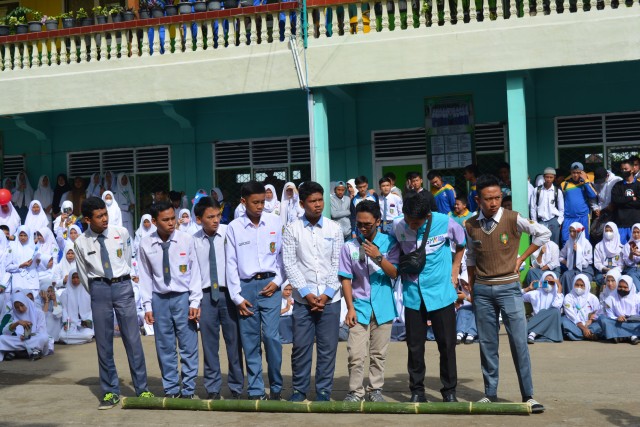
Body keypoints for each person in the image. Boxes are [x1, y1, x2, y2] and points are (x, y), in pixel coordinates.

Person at [464, 174, 550, 413]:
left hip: (509, 288)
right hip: (482, 289)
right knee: (487, 343)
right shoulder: (470, 225)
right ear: (478, 200)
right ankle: (490, 393)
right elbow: (470, 257)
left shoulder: (513, 218)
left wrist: (522, 258)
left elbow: (543, 233)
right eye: (488, 198)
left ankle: (528, 395)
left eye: (497, 197)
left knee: (519, 341)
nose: (493, 203)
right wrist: (472, 286)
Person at [74, 197, 153, 409]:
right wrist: (98, 289)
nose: (104, 219)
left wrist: (120, 279)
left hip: (122, 286)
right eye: (99, 216)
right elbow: (83, 274)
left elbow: (126, 259)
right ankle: (110, 391)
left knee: (133, 340)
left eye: (105, 214)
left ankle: (142, 389)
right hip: (99, 289)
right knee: (103, 342)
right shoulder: (81, 242)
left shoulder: (121, 233)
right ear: (88, 219)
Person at [393, 191, 466, 403]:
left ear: (427, 216)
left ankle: (449, 391)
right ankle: (417, 390)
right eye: (408, 220)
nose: (411, 225)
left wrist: (455, 270)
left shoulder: (445, 222)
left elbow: (462, 243)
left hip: (440, 293)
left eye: (416, 222)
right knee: (415, 346)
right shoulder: (398, 226)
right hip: (413, 294)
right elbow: (394, 252)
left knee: (447, 344)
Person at [283, 181, 343, 402]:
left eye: (320, 200)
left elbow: (338, 263)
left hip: (331, 299)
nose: (318, 205)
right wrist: (307, 294)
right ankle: (299, 389)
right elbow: (290, 264)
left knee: (328, 348)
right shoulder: (292, 229)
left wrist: (326, 294)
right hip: (302, 300)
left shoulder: (334, 229)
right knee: (301, 347)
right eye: (312, 201)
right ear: (302, 204)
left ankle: (324, 390)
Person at [225, 181, 284, 400]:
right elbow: (230, 263)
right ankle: (256, 390)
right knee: (250, 341)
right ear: (243, 202)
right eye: (255, 202)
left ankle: (276, 387)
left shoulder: (275, 222)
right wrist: (236, 297)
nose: (260, 206)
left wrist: (278, 281)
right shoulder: (234, 227)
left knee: (271, 337)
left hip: (271, 286)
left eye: (263, 202)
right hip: (246, 289)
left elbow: (282, 256)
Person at [138, 201, 202, 399]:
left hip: (183, 298)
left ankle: (189, 389)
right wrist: (147, 306)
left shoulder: (186, 240)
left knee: (188, 346)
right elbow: (145, 276)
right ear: (154, 222)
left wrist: (195, 301)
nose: (171, 223)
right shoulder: (146, 243)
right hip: (159, 299)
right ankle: (172, 388)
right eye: (165, 220)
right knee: (165, 347)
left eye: (173, 218)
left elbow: (195, 271)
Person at [339, 200, 399, 402]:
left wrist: (378, 257)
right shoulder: (349, 247)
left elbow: (394, 273)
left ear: (378, 222)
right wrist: (350, 308)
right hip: (359, 306)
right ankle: (355, 392)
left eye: (368, 224)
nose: (363, 228)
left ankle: (375, 390)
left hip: (383, 306)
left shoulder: (390, 243)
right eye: (359, 224)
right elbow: (345, 279)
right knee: (355, 353)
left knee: (378, 354)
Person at [193, 196, 244, 400]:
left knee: (234, 342)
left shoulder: (229, 233)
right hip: (206, 296)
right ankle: (212, 387)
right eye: (210, 217)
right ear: (199, 219)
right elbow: (194, 273)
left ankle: (237, 386)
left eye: (218, 216)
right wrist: (195, 301)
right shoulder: (193, 241)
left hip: (229, 295)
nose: (216, 220)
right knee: (209, 345)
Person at [0, 291, 48, 361]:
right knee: (1, 338)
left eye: (22, 305)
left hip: (32, 339)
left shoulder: (39, 313)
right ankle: (31, 351)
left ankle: (14, 351)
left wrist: (28, 335)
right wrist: (17, 323)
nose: (20, 309)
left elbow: (42, 331)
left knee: (44, 337)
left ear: (26, 302)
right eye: (17, 307)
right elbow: (5, 332)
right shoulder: (13, 314)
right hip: (18, 340)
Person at [561, 162, 597, 244]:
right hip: (568, 217)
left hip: (583, 217)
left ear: (582, 173)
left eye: (578, 173)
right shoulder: (564, 184)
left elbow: (593, 195)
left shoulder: (586, 183)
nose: (575, 175)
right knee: (565, 240)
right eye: (573, 172)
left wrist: (586, 181)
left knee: (584, 240)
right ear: (570, 172)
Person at [522, 272, 563, 343]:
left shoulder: (558, 295)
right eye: (546, 282)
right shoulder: (535, 293)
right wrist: (528, 288)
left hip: (550, 323)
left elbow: (556, 306)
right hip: (536, 320)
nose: (548, 284)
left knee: (555, 311)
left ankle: (533, 333)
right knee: (544, 311)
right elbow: (517, 297)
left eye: (551, 282)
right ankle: (533, 333)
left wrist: (559, 288)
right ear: (542, 282)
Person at [599, 275, 640, 344]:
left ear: (630, 287)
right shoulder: (610, 299)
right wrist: (616, 318)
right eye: (620, 287)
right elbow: (609, 315)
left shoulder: (637, 298)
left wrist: (631, 318)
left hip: (633, 323)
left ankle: (621, 336)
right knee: (602, 319)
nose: (622, 289)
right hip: (617, 323)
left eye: (625, 287)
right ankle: (631, 336)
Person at [561, 274, 602, 341]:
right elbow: (570, 314)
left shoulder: (593, 298)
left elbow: (598, 313)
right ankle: (589, 334)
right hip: (575, 323)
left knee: (601, 322)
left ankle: (580, 335)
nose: (579, 287)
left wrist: (591, 320)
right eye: (577, 285)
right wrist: (583, 328)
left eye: (582, 285)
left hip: (589, 324)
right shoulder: (569, 297)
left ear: (586, 286)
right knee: (563, 320)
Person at [58, 268, 94, 345]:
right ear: (70, 279)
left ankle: (75, 339)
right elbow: (64, 309)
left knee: (88, 334)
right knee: (62, 335)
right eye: (73, 278)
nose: (75, 280)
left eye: (78, 277)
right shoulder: (65, 293)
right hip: (71, 322)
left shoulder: (87, 292)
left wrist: (88, 320)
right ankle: (82, 339)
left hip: (85, 322)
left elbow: (91, 309)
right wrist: (66, 322)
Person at [529, 167, 564, 246]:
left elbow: (561, 209)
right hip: (540, 221)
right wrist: (535, 222)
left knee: (554, 245)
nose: (549, 179)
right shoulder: (537, 190)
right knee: (540, 245)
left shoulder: (557, 191)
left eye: (551, 177)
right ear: (544, 177)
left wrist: (559, 222)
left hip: (554, 220)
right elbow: (533, 208)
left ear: (554, 178)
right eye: (547, 177)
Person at [559, 222, 594, 295]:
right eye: (570, 231)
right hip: (573, 269)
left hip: (585, 270)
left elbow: (586, 264)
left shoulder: (586, 244)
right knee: (566, 275)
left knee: (580, 279)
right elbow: (560, 256)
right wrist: (567, 262)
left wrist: (578, 251)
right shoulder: (569, 243)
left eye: (574, 231)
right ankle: (568, 297)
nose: (572, 234)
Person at [610, 159, 640, 244]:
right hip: (621, 223)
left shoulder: (638, 185)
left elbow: (639, 203)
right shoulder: (617, 186)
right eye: (622, 169)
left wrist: (623, 202)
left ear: (632, 169)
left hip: (636, 224)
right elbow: (615, 201)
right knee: (621, 248)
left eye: (626, 169)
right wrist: (631, 198)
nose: (623, 171)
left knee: (636, 248)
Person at [6, 226, 39, 292]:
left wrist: (37, 262)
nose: (23, 237)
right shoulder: (12, 248)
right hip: (18, 282)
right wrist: (20, 265)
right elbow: (7, 267)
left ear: (28, 236)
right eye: (21, 235)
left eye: (25, 235)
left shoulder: (34, 248)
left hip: (32, 283)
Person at [593, 222, 624, 289]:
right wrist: (604, 268)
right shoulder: (598, 246)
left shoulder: (620, 248)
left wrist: (612, 272)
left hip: (616, 271)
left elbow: (621, 265)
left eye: (610, 231)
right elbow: (597, 262)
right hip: (603, 271)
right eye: (606, 231)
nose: (608, 233)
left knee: (618, 279)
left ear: (615, 231)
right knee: (599, 278)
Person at [38, 281, 62, 354]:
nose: (50, 293)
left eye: (51, 291)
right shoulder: (37, 301)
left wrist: (54, 301)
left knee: (54, 315)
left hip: (54, 328)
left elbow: (58, 315)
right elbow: (42, 317)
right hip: (44, 327)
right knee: (48, 315)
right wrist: (46, 301)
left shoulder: (56, 298)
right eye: (48, 291)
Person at [114, 173, 136, 237]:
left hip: (129, 215)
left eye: (126, 179)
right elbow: (116, 204)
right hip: (121, 215)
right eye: (122, 179)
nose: (124, 181)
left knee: (130, 234)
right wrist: (127, 207)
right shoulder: (116, 191)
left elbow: (132, 201)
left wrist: (132, 207)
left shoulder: (128, 189)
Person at [622, 223, 640, 290]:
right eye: (634, 232)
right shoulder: (628, 245)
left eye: (638, 232)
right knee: (632, 276)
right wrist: (631, 254)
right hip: (632, 269)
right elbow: (628, 263)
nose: (636, 234)